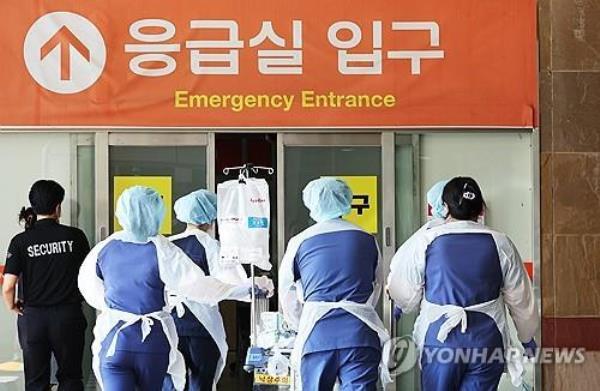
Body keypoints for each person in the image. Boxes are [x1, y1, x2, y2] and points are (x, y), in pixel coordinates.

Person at [78, 186, 272, 391]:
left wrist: (116, 307)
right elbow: (202, 287)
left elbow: (88, 287)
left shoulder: (105, 247)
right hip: (157, 340)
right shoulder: (163, 249)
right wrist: (248, 289)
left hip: (113, 338)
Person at [387, 177, 539, 390]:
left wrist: (402, 305)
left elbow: (404, 290)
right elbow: (520, 298)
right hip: (486, 339)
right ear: (480, 208)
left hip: (440, 340)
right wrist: (527, 336)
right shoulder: (500, 242)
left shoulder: (427, 241)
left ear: (444, 207)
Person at [279, 178, 390, 390]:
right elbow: (376, 284)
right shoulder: (367, 238)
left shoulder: (300, 241)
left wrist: (301, 323)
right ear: (345, 201)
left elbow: (287, 292)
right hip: (360, 334)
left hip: (317, 335)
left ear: (312, 204)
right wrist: (360, 308)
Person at [162, 189, 261, 391]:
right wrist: (255, 287)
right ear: (211, 217)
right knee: (201, 383)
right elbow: (232, 285)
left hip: (169, 326)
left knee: (171, 383)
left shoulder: (167, 245)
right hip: (202, 329)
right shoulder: (211, 246)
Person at [2, 180, 90, 391]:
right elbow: (89, 276)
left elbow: (8, 285)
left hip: (33, 319)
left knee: (35, 380)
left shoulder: (20, 241)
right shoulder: (75, 237)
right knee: (70, 377)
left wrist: (12, 306)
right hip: (68, 316)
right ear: (58, 207)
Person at [393, 179, 449, 321]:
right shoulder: (491, 238)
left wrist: (401, 304)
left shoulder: (425, 236)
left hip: (436, 322)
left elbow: (404, 273)